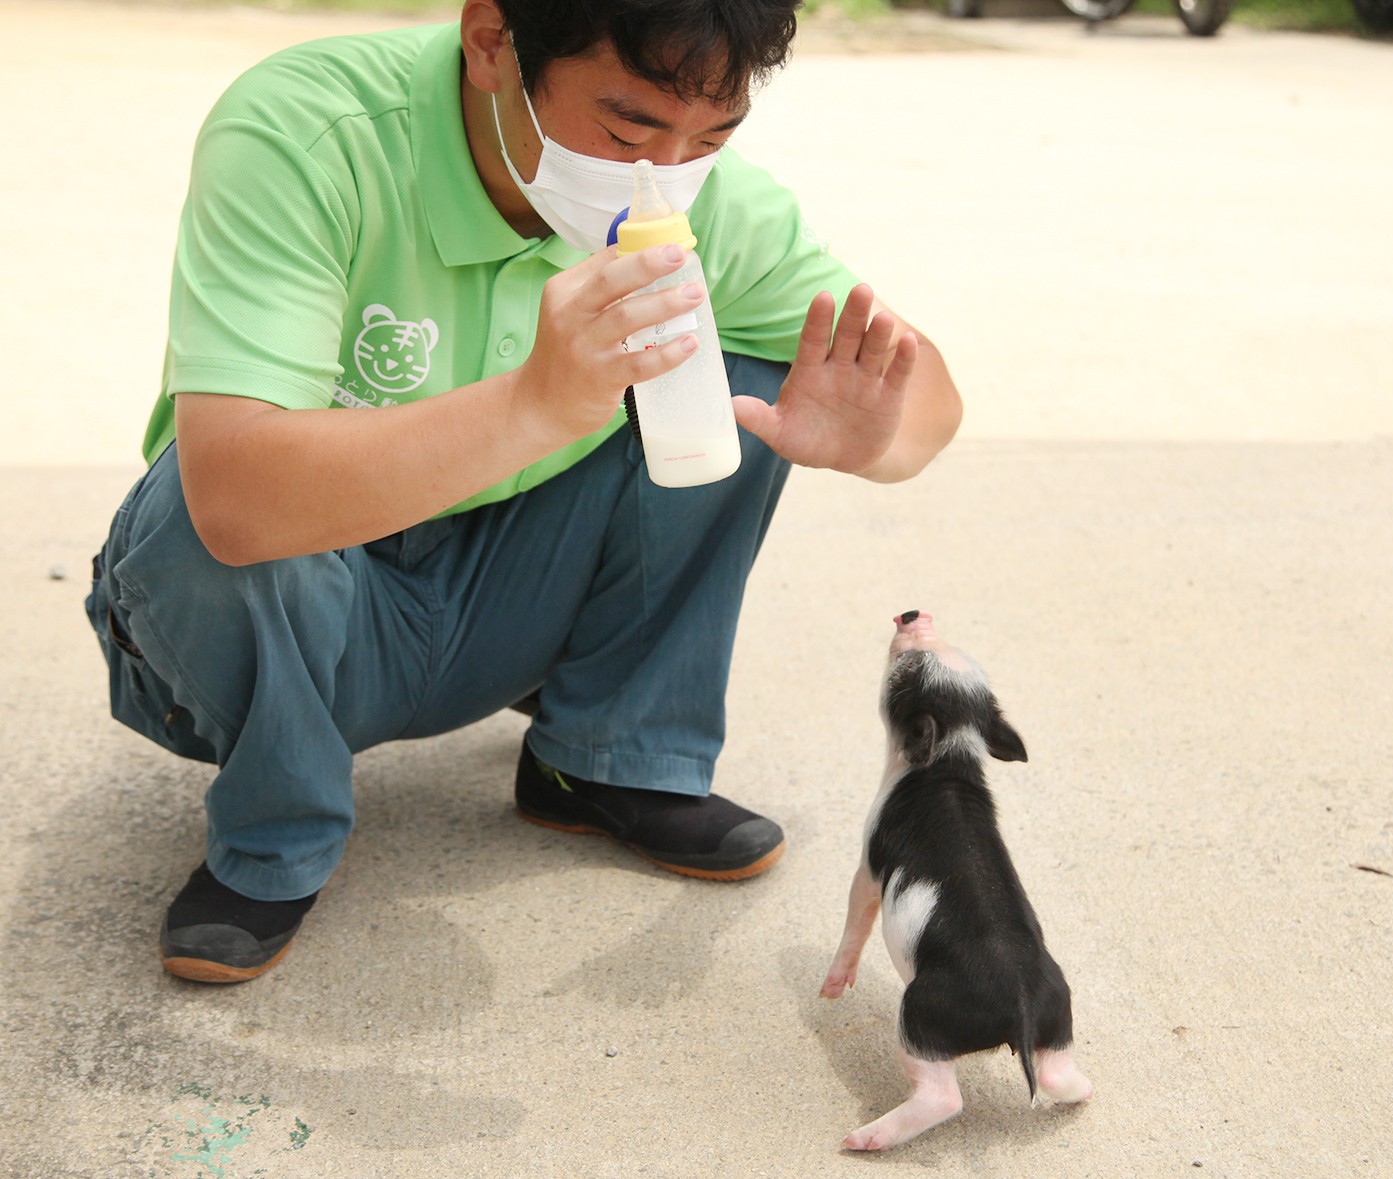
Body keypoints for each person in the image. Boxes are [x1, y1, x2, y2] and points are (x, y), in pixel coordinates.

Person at [85, 0, 961, 984]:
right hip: (281, 618)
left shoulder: (705, 198)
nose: (664, 170)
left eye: (711, 136)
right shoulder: (307, 134)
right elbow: (233, 505)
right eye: (627, 127)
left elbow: (921, 389)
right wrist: (532, 406)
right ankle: (276, 827)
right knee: (199, 506)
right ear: (491, 39)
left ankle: (602, 757)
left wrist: (878, 437)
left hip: (491, 608)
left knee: (753, 382)